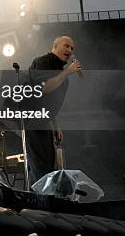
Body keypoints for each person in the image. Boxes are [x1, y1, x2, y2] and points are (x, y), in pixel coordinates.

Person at [25, 35, 82, 188]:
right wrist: (67, 72)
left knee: (49, 165)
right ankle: (39, 204)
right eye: (66, 46)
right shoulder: (44, 62)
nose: (70, 50)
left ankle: (44, 200)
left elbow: (49, 103)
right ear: (55, 45)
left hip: (44, 121)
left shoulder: (60, 72)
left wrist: (56, 125)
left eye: (72, 48)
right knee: (40, 166)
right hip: (33, 120)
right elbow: (43, 88)